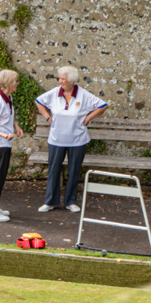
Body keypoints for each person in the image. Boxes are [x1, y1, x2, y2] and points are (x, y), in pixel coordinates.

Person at [34, 66, 108, 213]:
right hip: (56, 139)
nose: (60, 81)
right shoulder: (55, 93)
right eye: (59, 78)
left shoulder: (83, 95)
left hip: (77, 140)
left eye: (63, 79)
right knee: (53, 170)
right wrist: (48, 117)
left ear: (72, 81)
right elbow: (38, 101)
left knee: (74, 170)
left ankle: (71, 201)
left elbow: (103, 105)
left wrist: (88, 118)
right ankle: (50, 201)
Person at [0, 69, 23, 222]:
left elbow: (6, 118)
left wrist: (16, 126)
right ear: (8, 84)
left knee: (1, 176)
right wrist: (4, 135)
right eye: (16, 81)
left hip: (5, 143)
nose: (18, 83)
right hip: (0, 144)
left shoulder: (8, 98)